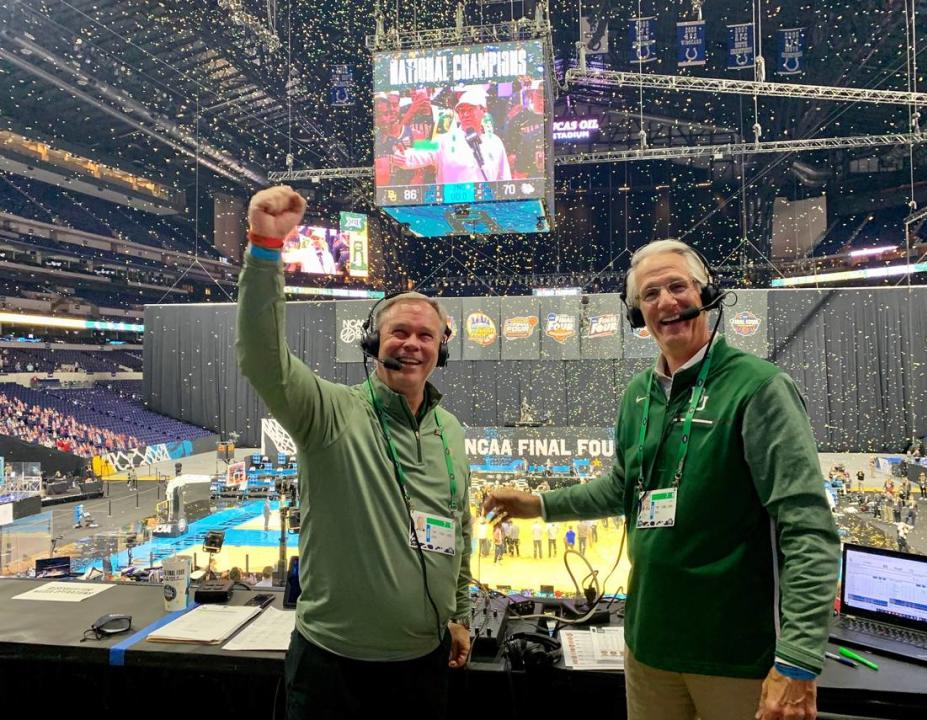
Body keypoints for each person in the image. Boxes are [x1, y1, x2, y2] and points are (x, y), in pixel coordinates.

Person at [484, 239, 839, 720]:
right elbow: (619, 488)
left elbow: (808, 529)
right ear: (637, 314)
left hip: (733, 655)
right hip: (648, 647)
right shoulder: (638, 394)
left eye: (678, 286)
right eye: (651, 294)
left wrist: (798, 659)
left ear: (706, 292)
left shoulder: (759, 388)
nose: (667, 302)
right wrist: (539, 506)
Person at [237, 185, 472, 720]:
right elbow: (261, 357)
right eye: (399, 333)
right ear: (372, 342)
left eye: (426, 336)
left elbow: (457, 529)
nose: (412, 344)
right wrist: (265, 250)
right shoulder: (328, 412)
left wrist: (459, 614)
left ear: (441, 350)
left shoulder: (451, 431)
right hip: (332, 668)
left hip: (424, 662)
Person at [393, 87, 511, 183]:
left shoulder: (495, 142)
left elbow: (504, 179)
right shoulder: (444, 140)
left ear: (483, 110)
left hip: (486, 207)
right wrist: (403, 157)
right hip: (453, 207)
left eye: (470, 109)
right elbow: (420, 149)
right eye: (461, 111)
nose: (465, 114)